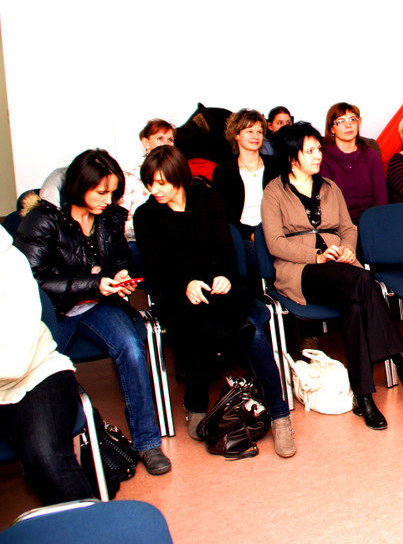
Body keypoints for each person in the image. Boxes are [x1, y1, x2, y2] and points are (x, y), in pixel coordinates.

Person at [261, 122, 403, 431]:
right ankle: (401, 358)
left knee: (355, 308)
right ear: (292, 157)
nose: (318, 156)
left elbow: (347, 228)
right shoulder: (274, 191)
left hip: (340, 269)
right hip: (301, 271)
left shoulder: (330, 187)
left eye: (318, 149)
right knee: (365, 281)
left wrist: (346, 249)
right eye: (310, 151)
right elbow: (275, 243)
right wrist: (316, 256)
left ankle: (364, 398)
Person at [14, 149, 171, 475]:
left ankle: (147, 442)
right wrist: (93, 283)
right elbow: (32, 281)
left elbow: (119, 260)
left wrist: (120, 276)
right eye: (101, 192)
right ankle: (51, 455)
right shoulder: (42, 220)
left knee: (131, 347)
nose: (107, 200)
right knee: (46, 371)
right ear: (79, 186)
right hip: (53, 312)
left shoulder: (108, 217)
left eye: (112, 192)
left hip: (97, 305)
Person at [133, 146, 296, 457]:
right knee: (197, 328)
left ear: (179, 177)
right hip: (177, 290)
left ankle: (279, 415)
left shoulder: (208, 198)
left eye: (161, 183)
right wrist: (186, 284)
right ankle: (195, 404)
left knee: (253, 333)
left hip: (219, 283)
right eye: (150, 183)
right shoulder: (146, 215)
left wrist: (225, 276)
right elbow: (156, 267)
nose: (154, 190)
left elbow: (226, 250)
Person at [0, 227, 94, 505]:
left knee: (45, 457)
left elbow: (15, 361)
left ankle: (86, 523)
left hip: (33, 375)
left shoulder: (9, 262)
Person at [212, 109, 284, 239]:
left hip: (273, 231)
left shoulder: (275, 166)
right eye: (249, 131)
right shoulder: (224, 171)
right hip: (239, 234)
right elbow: (222, 214)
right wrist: (250, 235)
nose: (256, 136)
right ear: (236, 135)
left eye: (259, 132)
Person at [320, 102, 387, 224]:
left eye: (352, 119)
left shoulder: (370, 155)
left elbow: (381, 199)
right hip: (337, 223)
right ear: (331, 129)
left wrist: (371, 225)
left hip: (370, 221)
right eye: (340, 121)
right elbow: (326, 202)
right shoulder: (323, 157)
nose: (348, 125)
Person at [121, 118, 176, 241]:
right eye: (160, 138)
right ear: (145, 143)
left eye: (170, 139)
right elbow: (118, 223)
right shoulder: (129, 174)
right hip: (138, 241)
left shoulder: (178, 173)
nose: (166, 143)